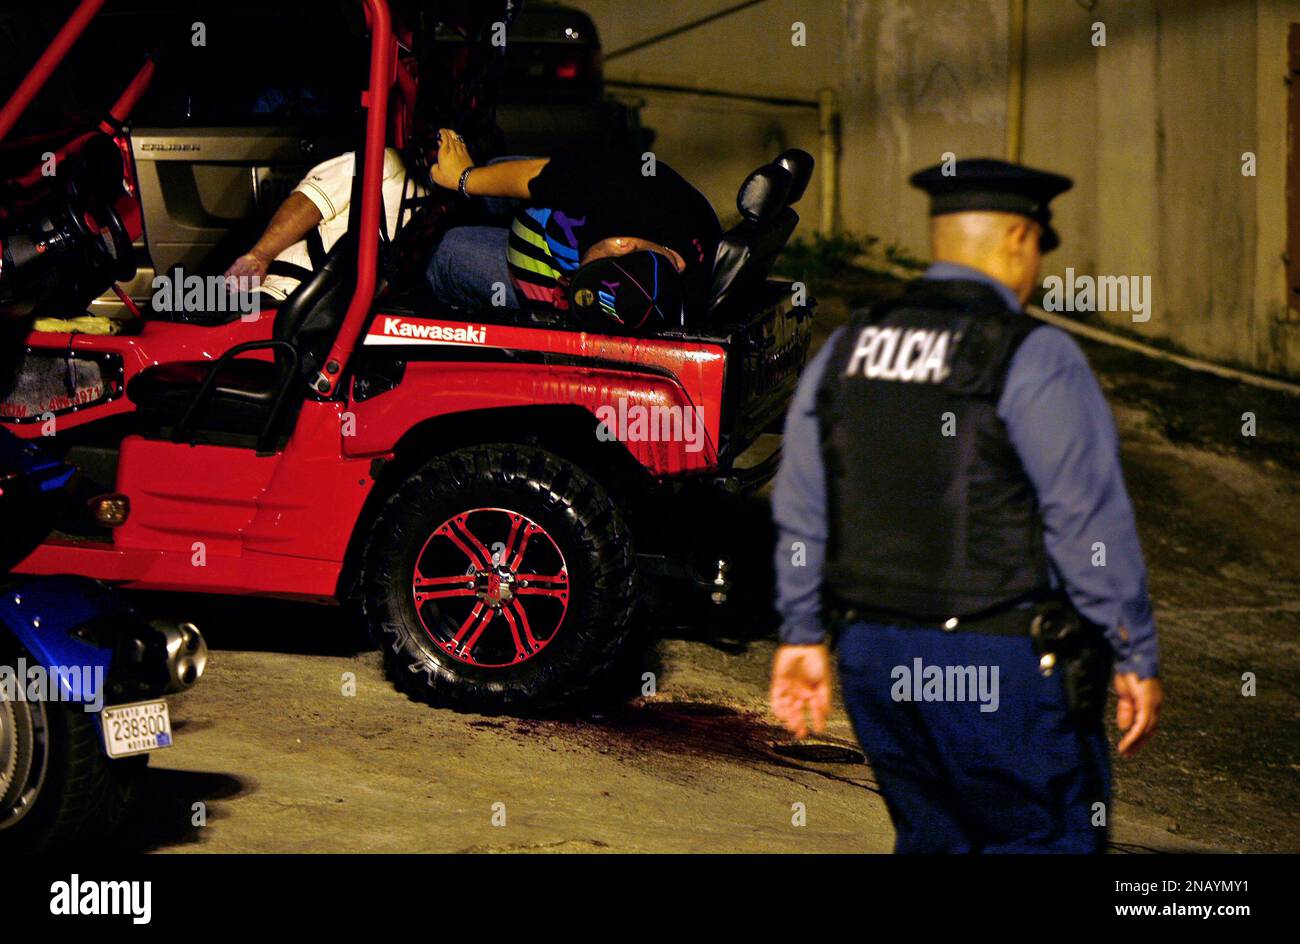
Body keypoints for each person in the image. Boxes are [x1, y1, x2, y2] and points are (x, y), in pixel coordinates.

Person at [768, 158, 1164, 853]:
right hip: (1001, 661)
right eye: (1040, 247)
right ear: (1018, 236)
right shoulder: (1034, 354)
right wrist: (1133, 651)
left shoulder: (852, 345)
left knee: (930, 839)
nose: (1037, 268)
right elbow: (1088, 526)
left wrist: (802, 634)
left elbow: (803, 503)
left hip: (875, 659)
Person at [425, 130, 721, 317]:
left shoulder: (663, 305)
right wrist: (464, 178)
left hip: (529, 264)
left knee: (447, 252)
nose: (570, 280)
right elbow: (543, 175)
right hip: (566, 199)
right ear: (623, 243)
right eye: (585, 270)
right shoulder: (628, 188)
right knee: (491, 175)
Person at [220, 147, 424, 314]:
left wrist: (258, 257)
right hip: (292, 299)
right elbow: (311, 200)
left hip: (303, 303)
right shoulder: (384, 164)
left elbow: (308, 201)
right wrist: (257, 259)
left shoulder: (386, 164)